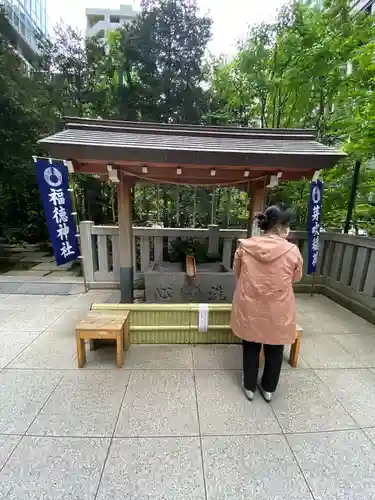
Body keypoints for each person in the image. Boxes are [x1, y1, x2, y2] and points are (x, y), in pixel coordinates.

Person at [230, 204, 303, 402]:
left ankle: (249, 387)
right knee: (275, 347)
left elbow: (237, 274)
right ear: (280, 227)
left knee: (251, 344)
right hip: (279, 306)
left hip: (251, 303)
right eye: (286, 225)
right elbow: (296, 278)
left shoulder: (245, 247)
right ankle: (269, 388)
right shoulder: (292, 251)